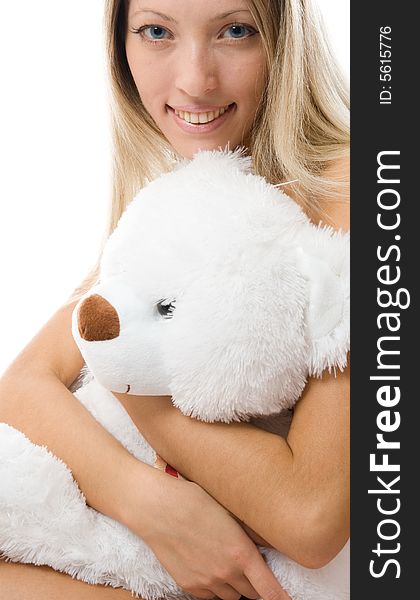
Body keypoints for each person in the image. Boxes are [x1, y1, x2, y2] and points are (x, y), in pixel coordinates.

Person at [0, 0, 350, 598]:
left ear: (286, 41)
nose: (194, 79)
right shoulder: (184, 201)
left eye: (236, 31)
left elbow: (310, 518)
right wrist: (152, 504)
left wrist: (135, 368)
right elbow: (25, 385)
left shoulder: (349, 193)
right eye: (156, 31)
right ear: (121, 48)